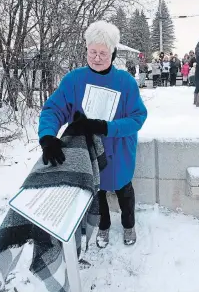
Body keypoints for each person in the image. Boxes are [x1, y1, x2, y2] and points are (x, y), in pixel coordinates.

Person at [38, 20, 148, 247]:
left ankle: (129, 225)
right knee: (96, 193)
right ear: (86, 50)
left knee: (124, 191)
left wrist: (107, 127)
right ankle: (104, 227)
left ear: (113, 53)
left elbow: (138, 118)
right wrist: (48, 137)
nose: (97, 57)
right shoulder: (74, 80)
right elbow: (54, 109)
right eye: (92, 52)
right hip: (87, 153)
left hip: (118, 153)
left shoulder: (125, 82)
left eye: (103, 53)